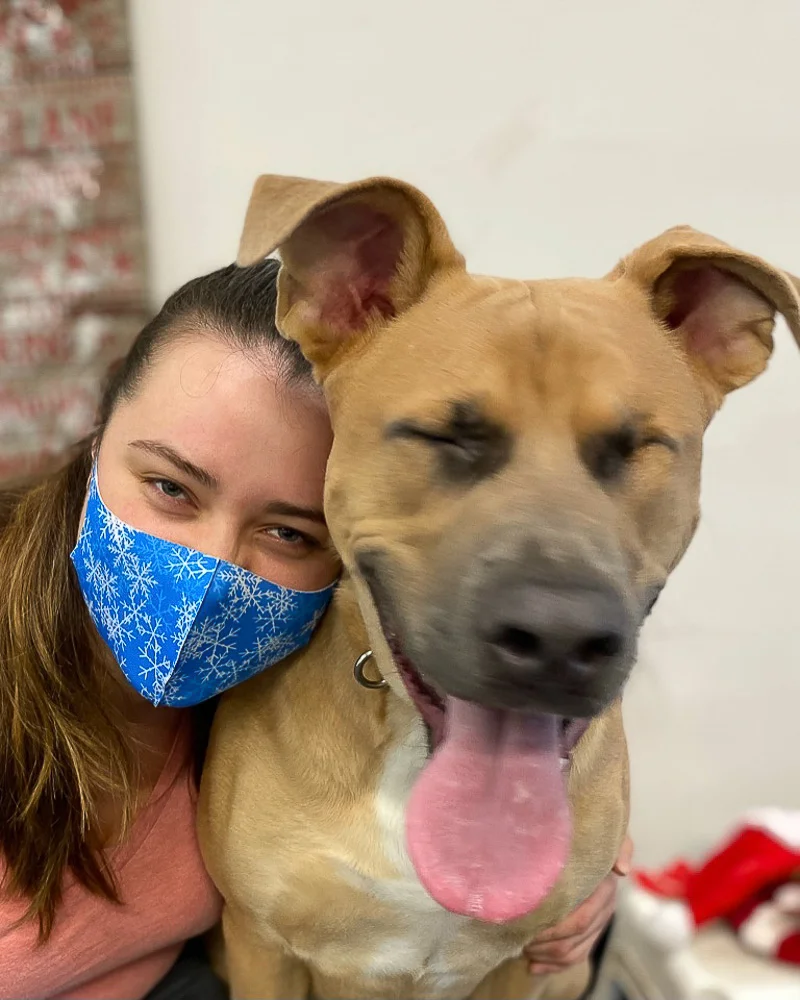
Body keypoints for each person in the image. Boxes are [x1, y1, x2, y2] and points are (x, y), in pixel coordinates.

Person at [0, 258, 628, 999]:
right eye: (171, 487)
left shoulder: (285, 660)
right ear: (98, 435)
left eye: (289, 533)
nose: (213, 569)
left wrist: (585, 832)